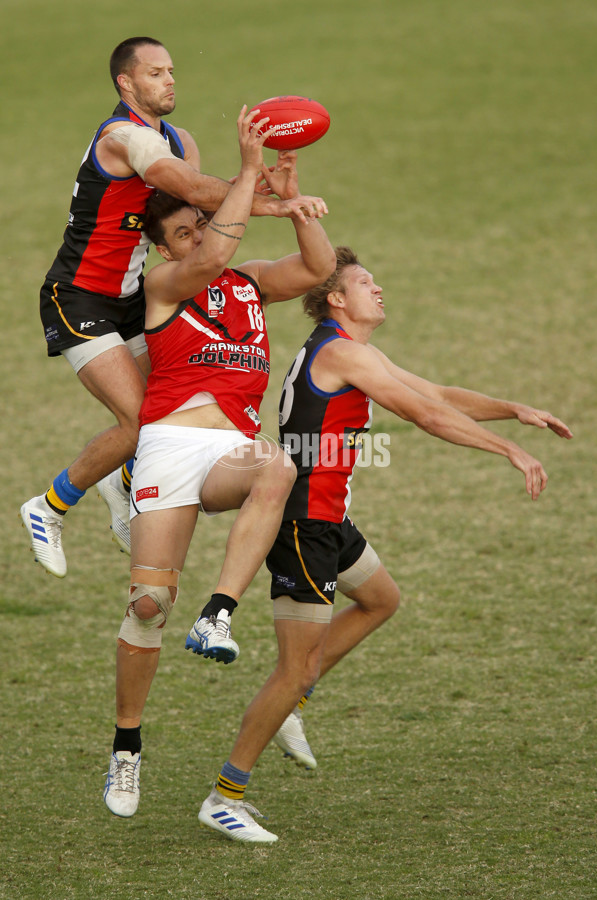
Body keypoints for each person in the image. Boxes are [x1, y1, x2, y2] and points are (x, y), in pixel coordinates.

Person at [195, 245, 573, 844]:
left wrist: (514, 411)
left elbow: (439, 393)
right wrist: (508, 452)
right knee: (292, 667)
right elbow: (423, 415)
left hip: (329, 519)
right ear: (336, 298)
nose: (379, 289)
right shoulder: (342, 352)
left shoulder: (352, 351)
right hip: (303, 528)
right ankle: (226, 793)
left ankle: (295, 703)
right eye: (366, 282)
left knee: (380, 599)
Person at [102, 108, 336, 820]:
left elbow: (320, 269)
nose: (200, 236)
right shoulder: (164, 288)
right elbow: (208, 256)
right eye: (182, 231)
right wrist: (242, 168)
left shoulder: (249, 283)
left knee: (279, 465)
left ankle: (219, 614)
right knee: (146, 607)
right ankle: (126, 748)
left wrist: (295, 207)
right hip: (170, 444)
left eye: (201, 225)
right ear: (162, 249)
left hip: (228, 451)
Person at [20, 36, 314, 578]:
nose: (170, 80)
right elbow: (177, 181)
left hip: (134, 297)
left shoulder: (180, 138)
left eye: (172, 70)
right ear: (126, 84)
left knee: (166, 406)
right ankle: (48, 505)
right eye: (155, 73)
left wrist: (266, 193)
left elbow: (199, 202)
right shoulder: (124, 137)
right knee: (139, 420)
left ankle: (123, 482)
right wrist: (253, 188)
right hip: (79, 297)